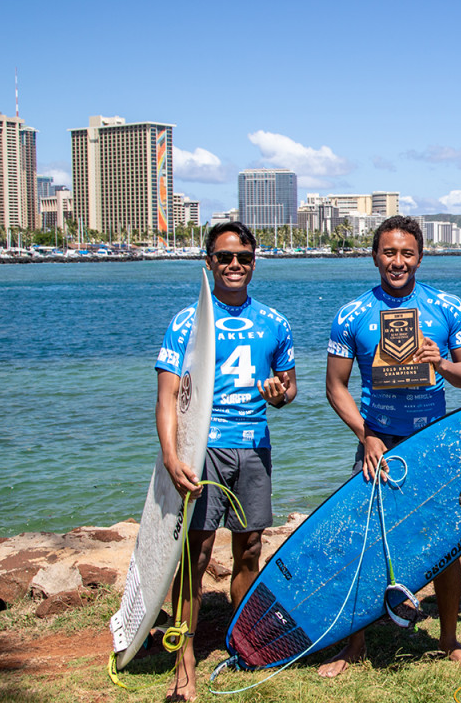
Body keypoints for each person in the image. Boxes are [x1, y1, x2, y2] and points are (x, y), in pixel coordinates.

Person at [318, 215, 461, 678]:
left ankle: (448, 640)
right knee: (365, 542)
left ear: (420, 257)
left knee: (446, 542)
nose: (397, 261)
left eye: (406, 253)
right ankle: (354, 645)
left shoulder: (446, 307)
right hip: (377, 441)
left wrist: (441, 362)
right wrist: (365, 433)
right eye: (389, 252)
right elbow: (335, 387)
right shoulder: (352, 313)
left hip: (431, 439)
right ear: (375, 257)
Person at [156, 221, 297, 702]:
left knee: (250, 549)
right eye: (224, 258)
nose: (234, 264)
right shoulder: (187, 321)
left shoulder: (274, 322)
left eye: (243, 257)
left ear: (254, 262)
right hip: (204, 449)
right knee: (194, 556)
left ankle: (243, 642)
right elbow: (168, 397)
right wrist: (173, 458)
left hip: (254, 447)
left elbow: (288, 388)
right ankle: (185, 658)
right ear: (209, 263)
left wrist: (279, 395)